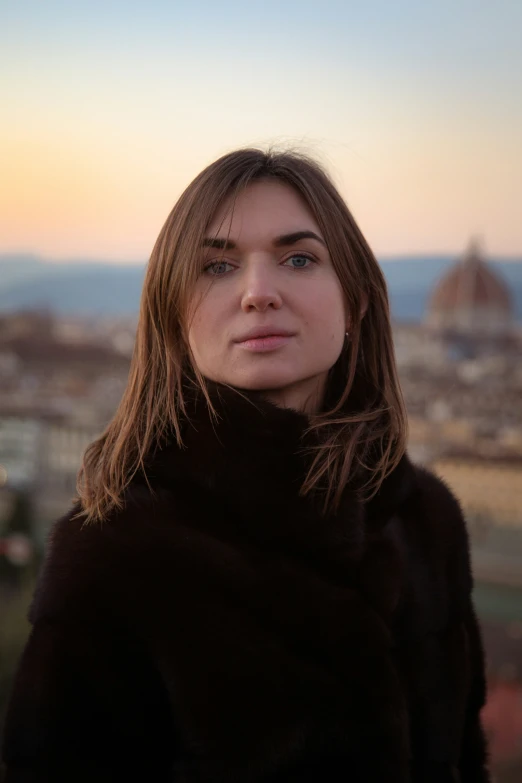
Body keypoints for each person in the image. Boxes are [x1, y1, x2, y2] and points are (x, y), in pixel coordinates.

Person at [2, 148, 490, 782]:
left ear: (358, 300)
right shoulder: (116, 554)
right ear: (174, 318)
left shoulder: (424, 519)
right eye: (217, 266)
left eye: (298, 259)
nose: (259, 293)